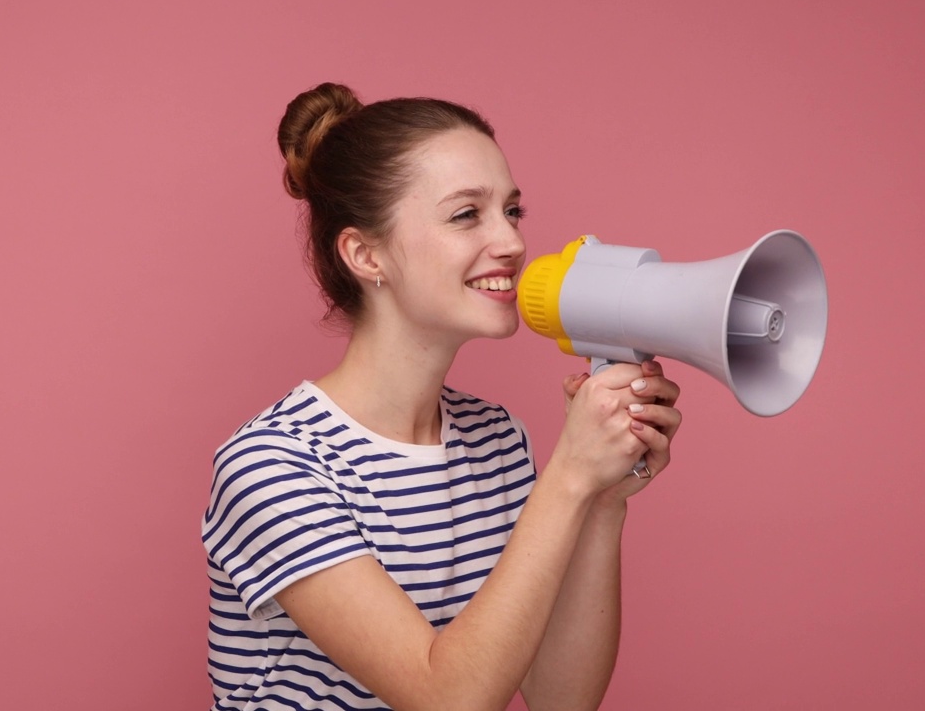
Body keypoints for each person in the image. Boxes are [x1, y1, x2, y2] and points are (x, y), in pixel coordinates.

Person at [202, 82, 682, 711]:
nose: (511, 242)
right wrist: (567, 476)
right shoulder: (273, 467)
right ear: (365, 253)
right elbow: (446, 700)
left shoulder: (495, 439)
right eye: (466, 214)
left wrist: (601, 500)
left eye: (512, 211)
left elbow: (561, 699)